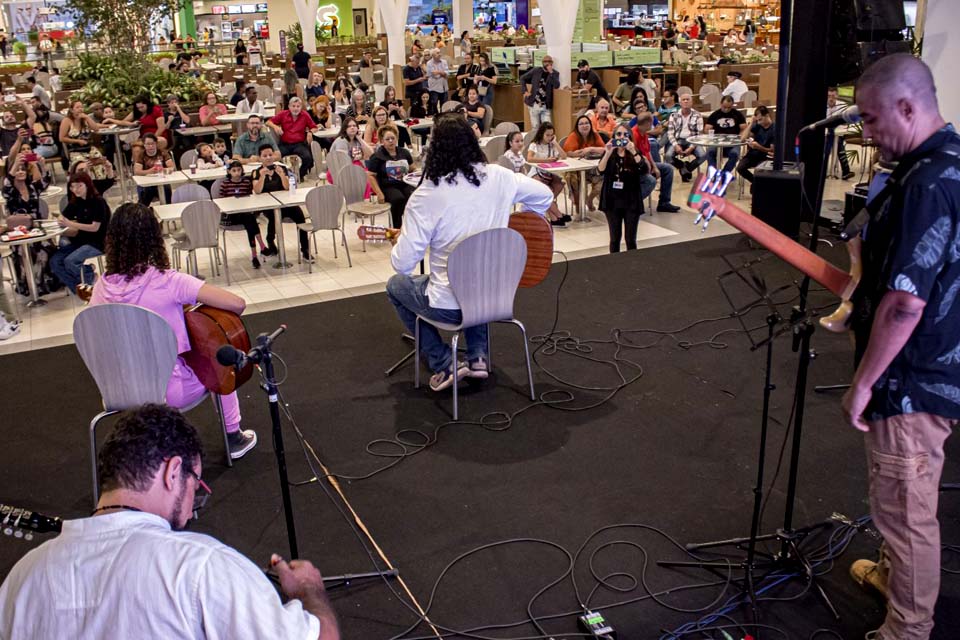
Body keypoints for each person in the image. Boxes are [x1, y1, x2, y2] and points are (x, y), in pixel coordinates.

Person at [0, 403, 337, 637]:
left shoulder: (22, 578)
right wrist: (309, 592)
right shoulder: (201, 567)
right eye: (196, 484)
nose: (192, 509)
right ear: (173, 472)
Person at [839, 54, 960, 640]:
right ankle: (894, 580)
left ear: (908, 108)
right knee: (902, 491)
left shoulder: (927, 183)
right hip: (936, 362)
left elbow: (907, 300)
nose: (866, 133)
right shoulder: (944, 163)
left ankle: (908, 629)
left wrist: (863, 381)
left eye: (870, 119)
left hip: (911, 377)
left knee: (905, 506)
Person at [386, 113, 553, 390]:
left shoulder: (427, 195)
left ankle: (443, 362)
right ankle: (477, 358)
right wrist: (519, 222)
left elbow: (403, 265)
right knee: (476, 275)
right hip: (495, 297)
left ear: (435, 150)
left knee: (396, 285)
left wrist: (401, 241)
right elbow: (545, 196)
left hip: (449, 308)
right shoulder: (501, 177)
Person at [90, 201, 259, 453]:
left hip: (119, 390)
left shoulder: (100, 288)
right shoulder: (169, 281)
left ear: (112, 239)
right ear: (154, 238)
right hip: (169, 392)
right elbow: (237, 304)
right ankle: (233, 435)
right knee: (218, 358)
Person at [50, 172, 110, 295]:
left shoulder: (98, 202)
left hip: (97, 242)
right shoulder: (76, 202)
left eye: (79, 186)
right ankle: (79, 290)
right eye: (73, 187)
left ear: (87, 185)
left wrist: (70, 224)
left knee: (70, 261)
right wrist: (62, 219)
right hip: (80, 241)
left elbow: (95, 228)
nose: (75, 190)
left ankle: (90, 277)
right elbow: (64, 216)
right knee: (55, 262)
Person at [252, 145, 310, 261]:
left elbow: (287, 187)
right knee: (274, 216)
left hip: (284, 202)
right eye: (265, 156)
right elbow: (257, 190)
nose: (268, 158)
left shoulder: (282, 168)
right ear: (260, 158)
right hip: (268, 204)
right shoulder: (256, 172)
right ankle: (270, 239)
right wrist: (263, 177)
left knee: (300, 215)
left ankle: (305, 248)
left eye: (270, 155)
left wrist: (282, 175)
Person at [598, 123, 647, 252]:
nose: (622, 137)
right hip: (612, 200)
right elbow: (600, 170)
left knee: (630, 239)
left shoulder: (634, 152)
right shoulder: (610, 153)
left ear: (630, 137)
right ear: (614, 136)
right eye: (619, 134)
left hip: (630, 199)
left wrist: (632, 151)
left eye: (626, 135)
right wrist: (607, 153)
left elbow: (644, 169)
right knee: (614, 238)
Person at [217, 160, 267, 268]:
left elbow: (250, 198)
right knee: (251, 221)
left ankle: (254, 255)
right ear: (229, 171)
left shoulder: (246, 182)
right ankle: (261, 246)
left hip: (244, 214)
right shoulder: (225, 184)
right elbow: (220, 202)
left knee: (249, 221)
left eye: (239, 170)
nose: (237, 173)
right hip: (231, 216)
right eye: (234, 170)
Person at [366, 124, 415, 228]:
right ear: (382, 141)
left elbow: (412, 168)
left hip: (404, 183)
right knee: (398, 199)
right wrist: (379, 193)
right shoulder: (377, 156)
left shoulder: (404, 152)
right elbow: (370, 175)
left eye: (393, 138)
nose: (391, 141)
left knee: (413, 197)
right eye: (387, 139)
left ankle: (411, 226)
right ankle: (396, 227)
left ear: (397, 138)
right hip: (388, 186)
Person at [632, 112, 681, 213]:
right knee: (651, 180)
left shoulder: (644, 133)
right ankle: (632, 203)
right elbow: (634, 157)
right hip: (637, 168)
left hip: (648, 165)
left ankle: (664, 202)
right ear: (647, 124)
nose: (652, 125)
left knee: (668, 169)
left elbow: (647, 152)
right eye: (651, 123)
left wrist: (654, 167)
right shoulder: (634, 135)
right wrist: (648, 168)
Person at [525, 121, 568, 226]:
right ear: (541, 134)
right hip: (536, 172)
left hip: (549, 173)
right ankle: (557, 214)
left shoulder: (552, 145)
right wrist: (546, 160)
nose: (549, 137)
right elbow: (529, 158)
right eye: (547, 135)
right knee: (545, 190)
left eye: (551, 135)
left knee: (560, 183)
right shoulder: (534, 144)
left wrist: (555, 143)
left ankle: (550, 211)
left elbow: (564, 156)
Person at [266, 96, 316, 180]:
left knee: (308, 158)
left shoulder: (305, 115)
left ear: (301, 107)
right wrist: (275, 127)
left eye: (298, 106)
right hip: (285, 144)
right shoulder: (283, 114)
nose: (295, 108)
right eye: (293, 106)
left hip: (299, 144)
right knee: (274, 157)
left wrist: (310, 132)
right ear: (289, 106)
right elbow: (268, 122)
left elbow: (314, 127)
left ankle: (299, 175)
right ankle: (281, 176)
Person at [562, 115, 605, 212]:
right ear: (577, 126)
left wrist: (591, 149)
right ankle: (579, 206)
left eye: (587, 123)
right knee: (574, 180)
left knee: (604, 179)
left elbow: (604, 149)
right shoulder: (573, 136)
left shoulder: (595, 135)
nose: (584, 126)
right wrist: (581, 152)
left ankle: (589, 199)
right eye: (581, 124)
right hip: (576, 170)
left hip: (592, 169)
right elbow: (567, 153)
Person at [665, 93, 706, 181]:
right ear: (680, 103)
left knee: (703, 155)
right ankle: (682, 166)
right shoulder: (673, 115)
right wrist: (676, 145)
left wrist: (691, 148)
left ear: (692, 102)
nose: (686, 101)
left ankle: (687, 169)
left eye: (688, 99)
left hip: (693, 141)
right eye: (683, 100)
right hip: (678, 140)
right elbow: (670, 133)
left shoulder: (698, 115)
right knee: (668, 156)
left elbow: (699, 134)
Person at [704, 95, 747, 173]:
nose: (726, 109)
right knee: (710, 152)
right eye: (724, 107)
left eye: (729, 108)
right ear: (721, 104)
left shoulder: (738, 114)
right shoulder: (715, 114)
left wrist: (740, 137)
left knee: (735, 154)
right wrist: (711, 133)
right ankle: (714, 173)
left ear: (732, 105)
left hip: (732, 143)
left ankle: (724, 174)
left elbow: (744, 128)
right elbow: (706, 129)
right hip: (717, 143)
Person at [736, 105, 775, 183]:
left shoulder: (774, 129)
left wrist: (759, 147)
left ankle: (757, 185)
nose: (759, 122)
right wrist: (751, 124)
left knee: (760, 172)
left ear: (767, 116)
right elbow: (742, 139)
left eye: (760, 119)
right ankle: (756, 183)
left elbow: (772, 150)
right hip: (753, 154)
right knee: (740, 168)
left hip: (765, 156)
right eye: (757, 120)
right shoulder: (757, 125)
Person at [520, 56, 560, 131]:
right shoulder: (536, 70)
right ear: (542, 63)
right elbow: (522, 78)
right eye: (545, 61)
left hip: (545, 105)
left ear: (552, 63)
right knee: (535, 127)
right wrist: (525, 91)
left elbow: (556, 85)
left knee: (548, 127)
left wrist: (551, 73)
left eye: (549, 61)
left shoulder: (555, 73)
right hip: (534, 103)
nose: (547, 63)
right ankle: (536, 142)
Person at [132, 134, 174, 204]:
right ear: (144, 145)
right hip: (147, 182)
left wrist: (164, 170)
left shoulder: (162, 152)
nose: (150, 146)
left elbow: (171, 167)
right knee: (146, 192)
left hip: (162, 180)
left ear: (156, 143)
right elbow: (137, 171)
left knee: (166, 190)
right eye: (148, 144)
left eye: (152, 144)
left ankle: (167, 208)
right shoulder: (142, 154)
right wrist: (150, 171)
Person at [827, 86, 856, 180]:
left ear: (837, 96)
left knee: (839, 144)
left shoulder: (842, 105)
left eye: (833, 96)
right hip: (825, 133)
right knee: (826, 147)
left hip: (838, 132)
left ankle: (846, 172)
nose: (831, 98)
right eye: (829, 96)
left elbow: (846, 120)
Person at [425, 49, 450, 114]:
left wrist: (439, 72)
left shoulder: (444, 62)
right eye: (437, 53)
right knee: (434, 104)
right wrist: (442, 73)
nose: (439, 54)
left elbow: (447, 74)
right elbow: (435, 75)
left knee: (444, 105)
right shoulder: (429, 63)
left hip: (444, 87)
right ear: (433, 55)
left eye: (439, 52)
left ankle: (443, 118)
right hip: (434, 88)